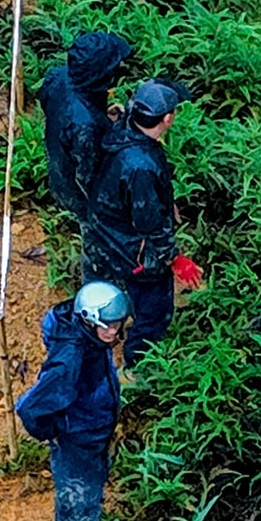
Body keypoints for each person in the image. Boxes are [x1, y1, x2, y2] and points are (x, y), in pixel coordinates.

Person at [15, 277, 129, 521]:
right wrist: (54, 431)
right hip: (78, 437)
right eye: (108, 325)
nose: (114, 331)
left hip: (91, 429)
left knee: (87, 491)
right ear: (89, 320)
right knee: (78, 498)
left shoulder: (90, 338)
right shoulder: (70, 360)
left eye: (117, 324)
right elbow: (31, 408)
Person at [82, 79, 182, 357]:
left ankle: (96, 331)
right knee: (154, 312)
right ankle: (138, 363)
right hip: (129, 246)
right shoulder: (141, 167)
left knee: (103, 284)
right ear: (167, 118)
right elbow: (150, 223)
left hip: (104, 229)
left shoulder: (123, 130)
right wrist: (171, 257)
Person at [40, 27, 134, 229]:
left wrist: (102, 116)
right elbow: (88, 178)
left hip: (57, 159)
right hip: (73, 194)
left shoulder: (58, 76)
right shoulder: (85, 126)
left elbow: (50, 107)